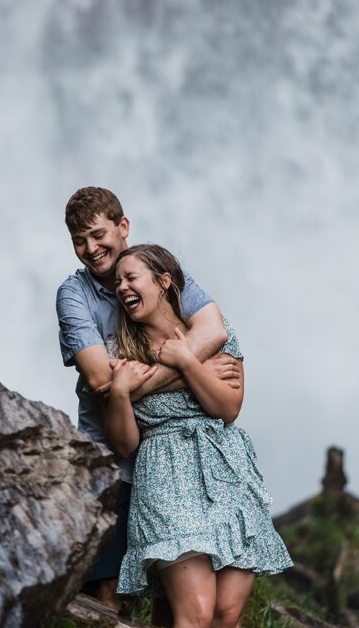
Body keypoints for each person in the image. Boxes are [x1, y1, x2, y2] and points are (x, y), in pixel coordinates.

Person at [56, 187, 238, 615]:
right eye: (79, 241)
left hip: (178, 468)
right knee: (111, 596)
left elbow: (214, 331)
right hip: (115, 463)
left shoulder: (155, 268)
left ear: (123, 227)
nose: (90, 249)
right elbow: (103, 380)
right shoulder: (74, 295)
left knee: (171, 604)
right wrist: (198, 372)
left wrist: (141, 381)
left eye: (98, 235)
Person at [104, 244, 292, 628]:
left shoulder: (214, 333)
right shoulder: (120, 352)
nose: (122, 287)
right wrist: (122, 392)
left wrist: (187, 361)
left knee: (225, 614)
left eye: (131, 277)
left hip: (227, 471)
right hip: (166, 475)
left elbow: (228, 408)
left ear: (163, 282)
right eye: (117, 281)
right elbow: (124, 444)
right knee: (197, 612)